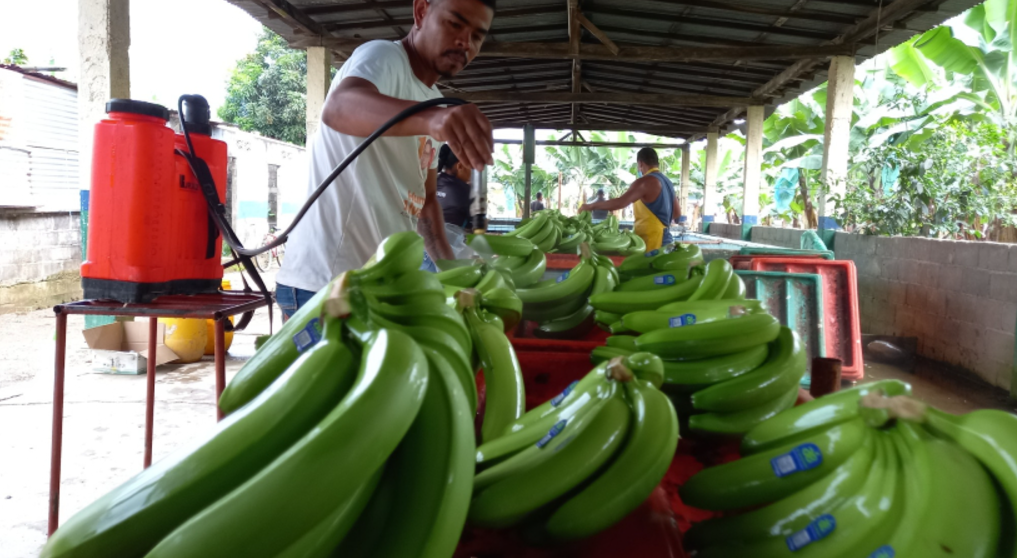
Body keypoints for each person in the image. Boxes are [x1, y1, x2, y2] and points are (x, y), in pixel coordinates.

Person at [274, 0, 496, 319]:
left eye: (477, 35)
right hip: (326, 283)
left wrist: (452, 272)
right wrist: (433, 119)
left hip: (378, 287)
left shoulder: (433, 100)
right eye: (454, 23)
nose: (465, 42)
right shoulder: (384, 57)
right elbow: (339, 108)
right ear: (421, 12)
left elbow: (428, 201)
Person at [578, 148, 681, 251]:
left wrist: (591, 206)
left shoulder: (645, 182)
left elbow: (621, 202)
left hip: (651, 241)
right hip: (666, 239)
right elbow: (677, 215)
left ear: (640, 163)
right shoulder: (667, 182)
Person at [435, 144, 473, 229]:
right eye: (471, 166)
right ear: (460, 166)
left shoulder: (434, 182)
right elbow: (476, 224)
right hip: (451, 240)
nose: (472, 171)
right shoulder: (466, 191)